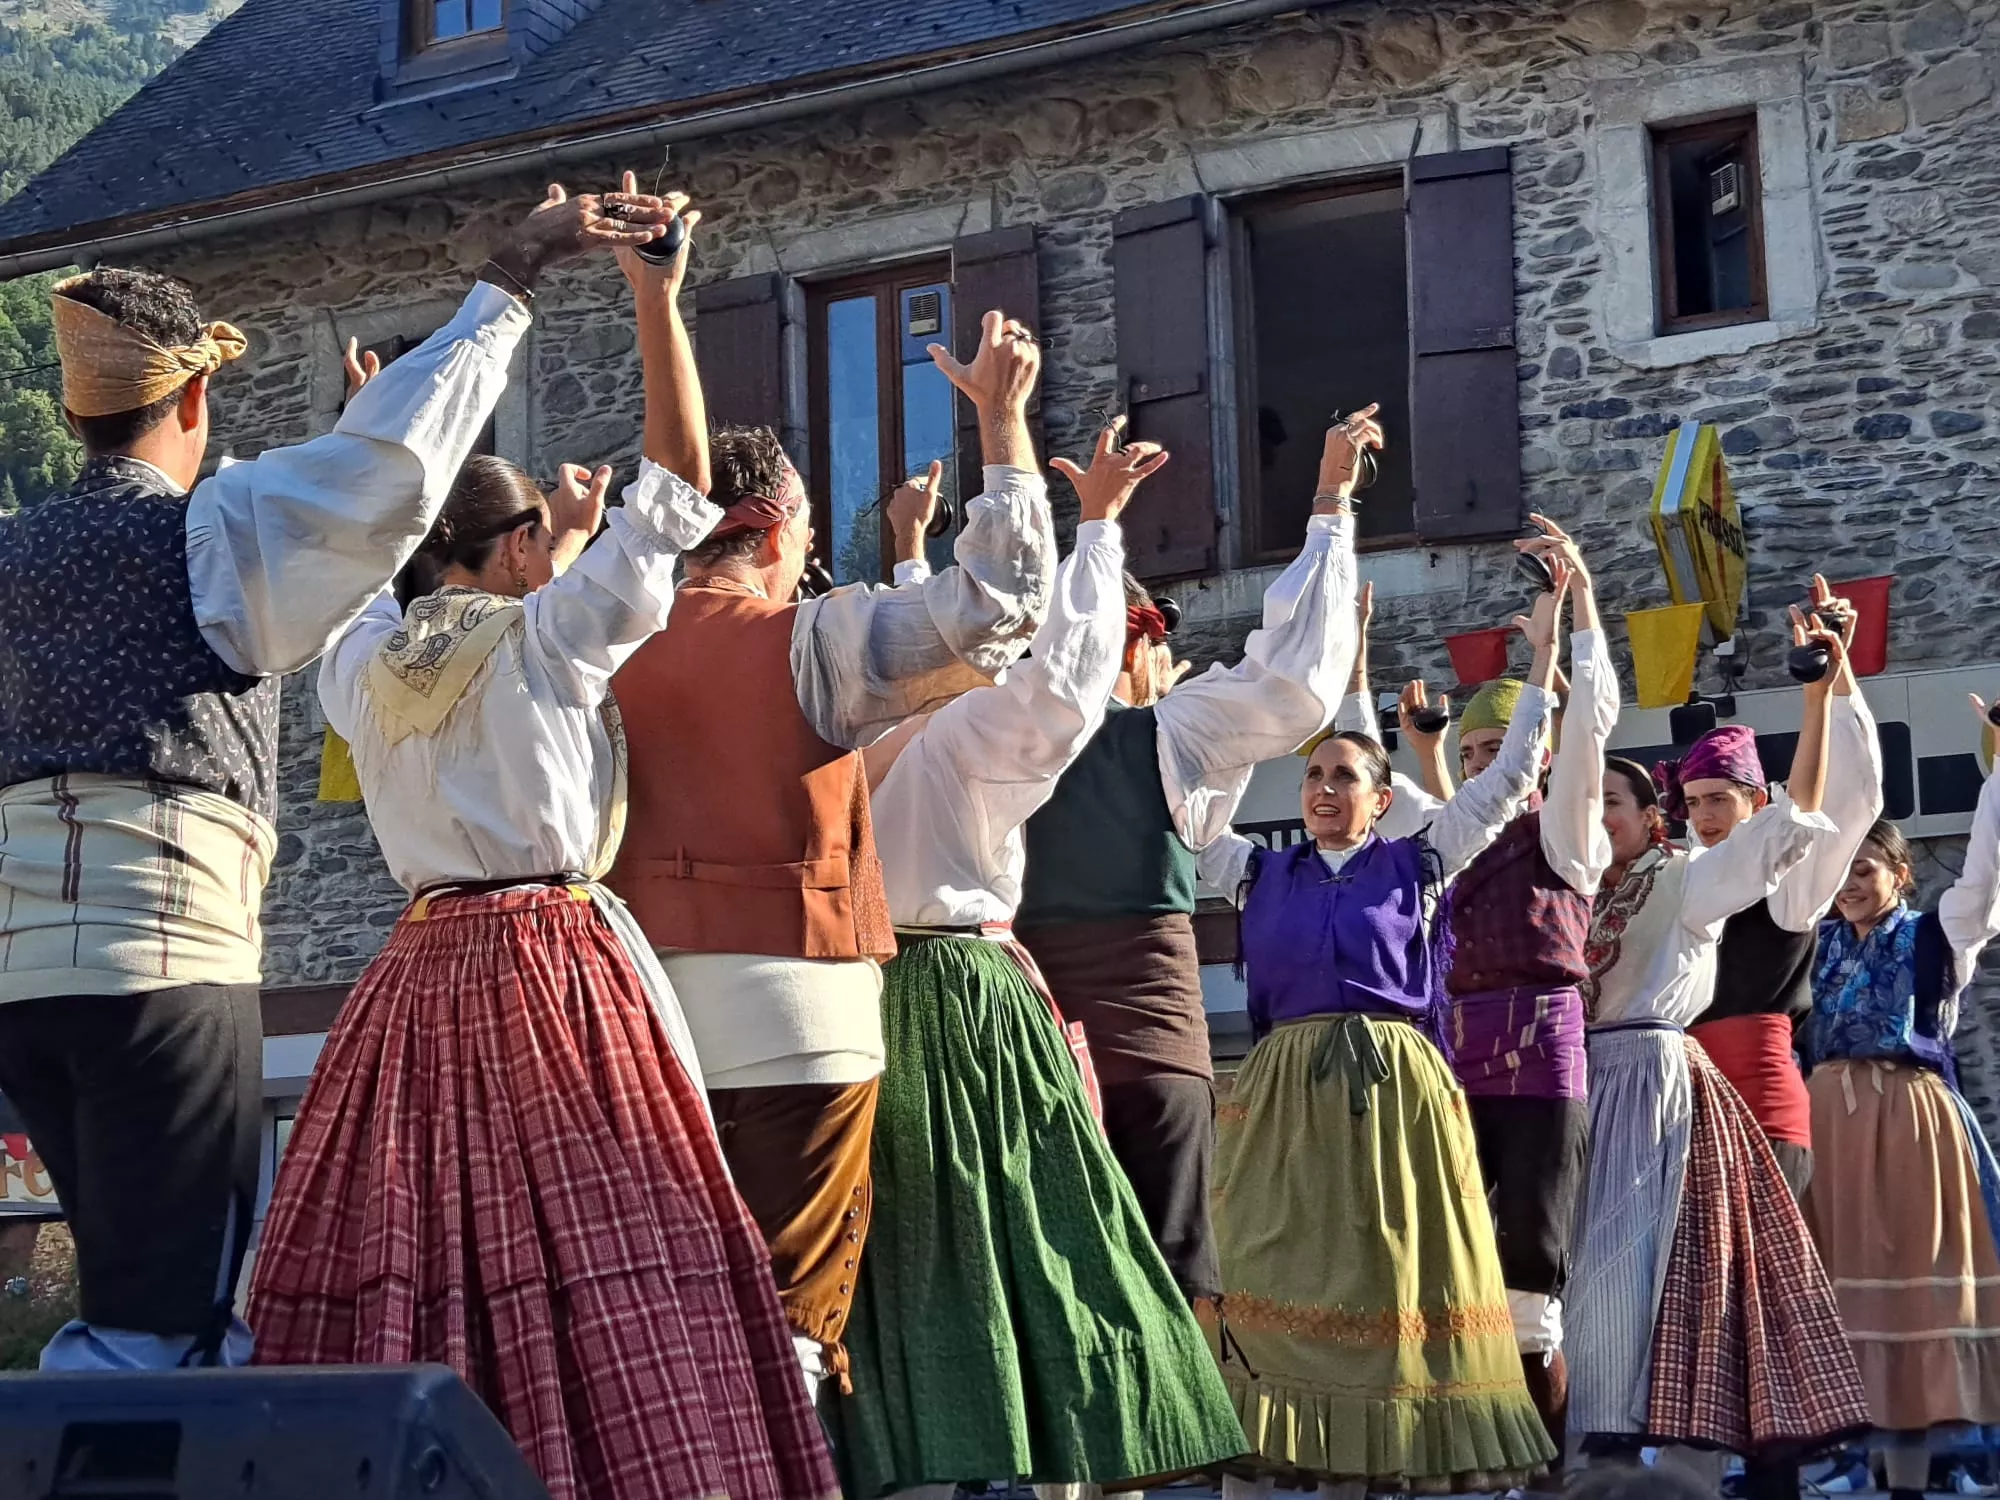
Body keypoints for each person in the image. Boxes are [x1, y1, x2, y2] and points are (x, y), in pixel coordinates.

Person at [248, 193, 837, 1500]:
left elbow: (357, 550)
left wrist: (368, 427)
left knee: (423, 1253)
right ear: (516, 547)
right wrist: (657, 298)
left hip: (413, 978)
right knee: (614, 1229)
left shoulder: (353, 661)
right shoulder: (550, 637)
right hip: (558, 969)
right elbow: (679, 492)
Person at [0, 182, 644, 1371]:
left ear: (77, 412)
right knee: (167, 1329)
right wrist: (507, 278)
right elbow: (387, 470)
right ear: (196, 398)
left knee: (120, 1295)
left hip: (17, 980)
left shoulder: (14, 552)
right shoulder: (211, 532)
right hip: (160, 960)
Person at [606, 305, 1055, 1402]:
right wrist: (1002, 427)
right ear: (771, 533)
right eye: (805, 535)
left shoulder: (582, 641)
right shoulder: (808, 639)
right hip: (799, 1012)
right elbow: (996, 612)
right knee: (790, 1330)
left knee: (670, 1324)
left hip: (630, 1021)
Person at [823, 424, 1244, 1500]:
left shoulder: (834, 741)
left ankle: (926, 1459)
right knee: (1050, 1234)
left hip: (856, 1000)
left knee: (909, 1247)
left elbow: (979, 656)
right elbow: (1065, 684)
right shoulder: (963, 736)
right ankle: (1079, 1463)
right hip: (966, 997)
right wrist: (1093, 527)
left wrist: (914, 553)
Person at [1192, 517, 1566, 1495]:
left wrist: (1548, 647)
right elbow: (1192, 815)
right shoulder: (1255, 872)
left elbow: (1510, 778)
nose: (1322, 788)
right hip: (1283, 1098)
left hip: (1394, 1094)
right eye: (1312, 774)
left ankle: (1379, 1463)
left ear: (1380, 796)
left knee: (1391, 1272)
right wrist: (1239, 713)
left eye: (1343, 776)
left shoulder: (1419, 863)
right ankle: (1273, 1448)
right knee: (1270, 1265)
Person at [1013, 406, 1383, 1308]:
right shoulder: (1167, 734)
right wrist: (1329, 503)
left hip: (1028, 1053)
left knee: (1060, 1287)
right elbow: (1295, 685)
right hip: (1146, 1048)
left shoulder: (984, 736)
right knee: (1176, 1284)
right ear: (1132, 642)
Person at [1564, 734, 1871, 1490]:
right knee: (1605, 1281)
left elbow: (1803, 817)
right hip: (1607, 1093)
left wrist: (1820, 703)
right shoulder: (1581, 893)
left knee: (1698, 1283)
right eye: (1584, 799)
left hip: (1690, 1087)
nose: (1596, 815)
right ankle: (1610, 1457)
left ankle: (1702, 1465)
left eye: (1610, 801)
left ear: (1649, 817)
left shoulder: (1700, 879)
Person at [1414, 517, 1619, 1473]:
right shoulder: (1446, 843)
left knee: (1532, 1269)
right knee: (1447, 1260)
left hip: (1541, 1053)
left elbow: (1589, 729)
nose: (1490, 763)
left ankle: (1543, 1474)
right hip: (1455, 1056)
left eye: (1505, 746)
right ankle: (1464, 1459)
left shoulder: (1567, 831)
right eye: (1475, 751)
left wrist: (1576, 615)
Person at [1801, 695, 2000, 1500]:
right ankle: (1859, 1462)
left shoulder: (1937, 934)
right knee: (1835, 1287)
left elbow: (1985, 874)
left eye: (1866, 869)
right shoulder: (1811, 942)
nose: (1851, 884)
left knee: (1909, 1289)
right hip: (1828, 1122)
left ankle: (1911, 1480)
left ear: (1900, 874)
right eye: (1843, 870)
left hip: (1909, 1121)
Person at [1679, 578, 1886, 1198]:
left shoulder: (1793, 884)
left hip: (1760, 1101)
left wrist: (1834, 679)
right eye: (1694, 802)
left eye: (1720, 799)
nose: (1706, 815)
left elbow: (1851, 795)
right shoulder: (1678, 879)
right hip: (1679, 1103)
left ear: (1758, 802)